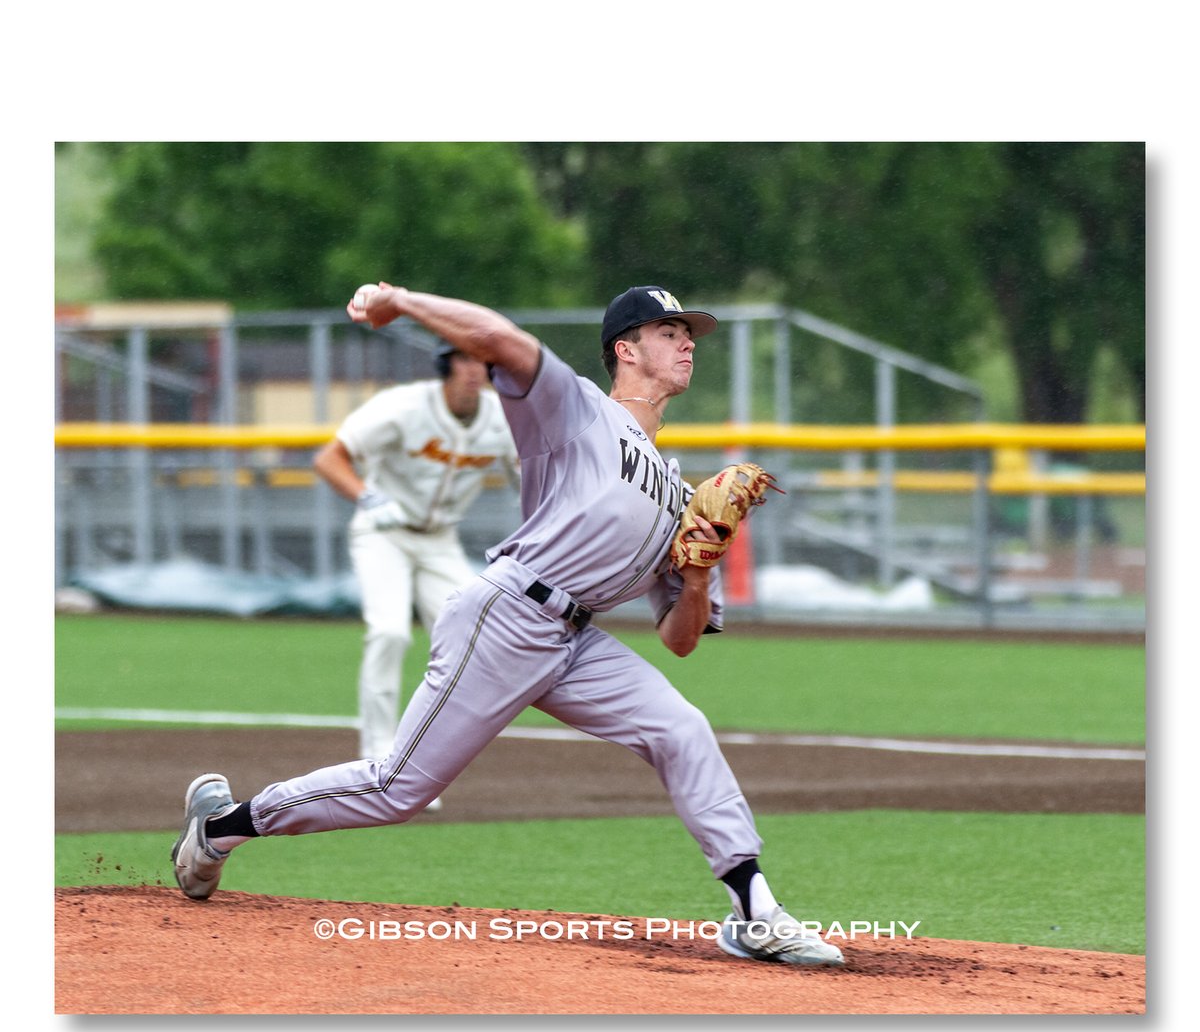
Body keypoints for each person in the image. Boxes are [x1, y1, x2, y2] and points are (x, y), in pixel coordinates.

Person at [171, 282, 844, 968]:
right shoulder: (577, 408)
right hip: (508, 615)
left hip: (575, 642)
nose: (686, 342)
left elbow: (678, 637)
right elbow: (497, 337)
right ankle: (222, 825)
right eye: (669, 331)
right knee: (397, 789)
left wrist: (700, 570)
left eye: (688, 333)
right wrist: (401, 302)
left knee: (681, 727)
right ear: (626, 348)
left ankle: (754, 911)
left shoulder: (681, 497)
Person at [313, 342, 519, 811]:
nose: (474, 370)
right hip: (383, 532)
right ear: (447, 364)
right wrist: (367, 496)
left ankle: (422, 764)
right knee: (388, 631)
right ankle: (377, 759)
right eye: (465, 359)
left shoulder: (500, 418)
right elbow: (329, 458)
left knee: (471, 641)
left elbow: (529, 478)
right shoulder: (404, 406)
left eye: (484, 361)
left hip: (439, 539)